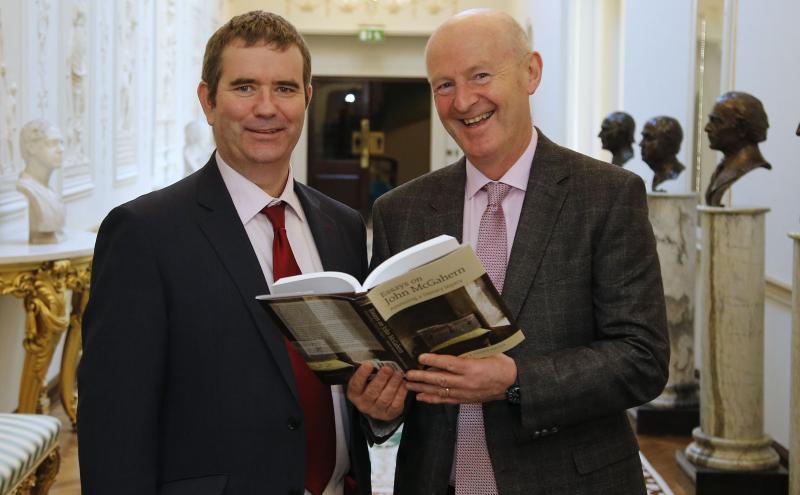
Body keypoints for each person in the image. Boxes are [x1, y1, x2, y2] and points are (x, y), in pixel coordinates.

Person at [351, 9, 669, 495]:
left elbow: (641, 358)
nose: (463, 101)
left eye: (480, 75)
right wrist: (381, 408)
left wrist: (515, 379)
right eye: (443, 85)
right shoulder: (401, 212)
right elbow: (396, 363)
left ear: (531, 72)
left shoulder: (605, 196)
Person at [78, 11, 380, 494]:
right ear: (208, 101)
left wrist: (378, 410)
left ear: (306, 97)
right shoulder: (144, 234)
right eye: (244, 87)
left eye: (284, 88)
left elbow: (347, 388)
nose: (266, 108)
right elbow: (115, 425)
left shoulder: (342, 227)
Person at [704, 91, 771, 206]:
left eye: (717, 122)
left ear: (742, 129)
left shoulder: (753, 177)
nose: (707, 128)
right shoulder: (723, 169)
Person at [16, 119, 65, 244]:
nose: (61, 149)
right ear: (31, 147)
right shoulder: (27, 189)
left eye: (61, 143)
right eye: (52, 143)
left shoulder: (51, 193)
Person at [639, 116, 685, 192]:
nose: (641, 144)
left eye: (648, 138)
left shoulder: (680, 179)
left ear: (668, 143)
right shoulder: (657, 176)